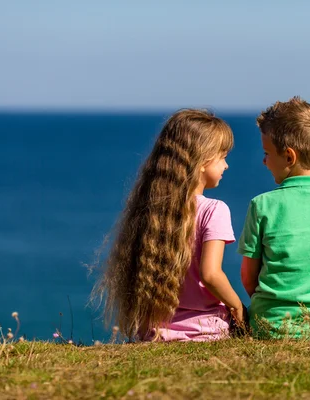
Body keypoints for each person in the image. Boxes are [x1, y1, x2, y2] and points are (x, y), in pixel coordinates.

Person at [93, 109, 244, 341]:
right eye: (223, 156)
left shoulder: (152, 210)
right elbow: (211, 274)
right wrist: (237, 306)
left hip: (154, 333)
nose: (227, 166)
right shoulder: (214, 209)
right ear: (203, 160)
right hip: (207, 331)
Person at [238, 97, 310, 338]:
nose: (264, 161)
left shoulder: (261, 206)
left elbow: (248, 277)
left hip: (270, 327)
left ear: (289, 157)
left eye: (267, 153)